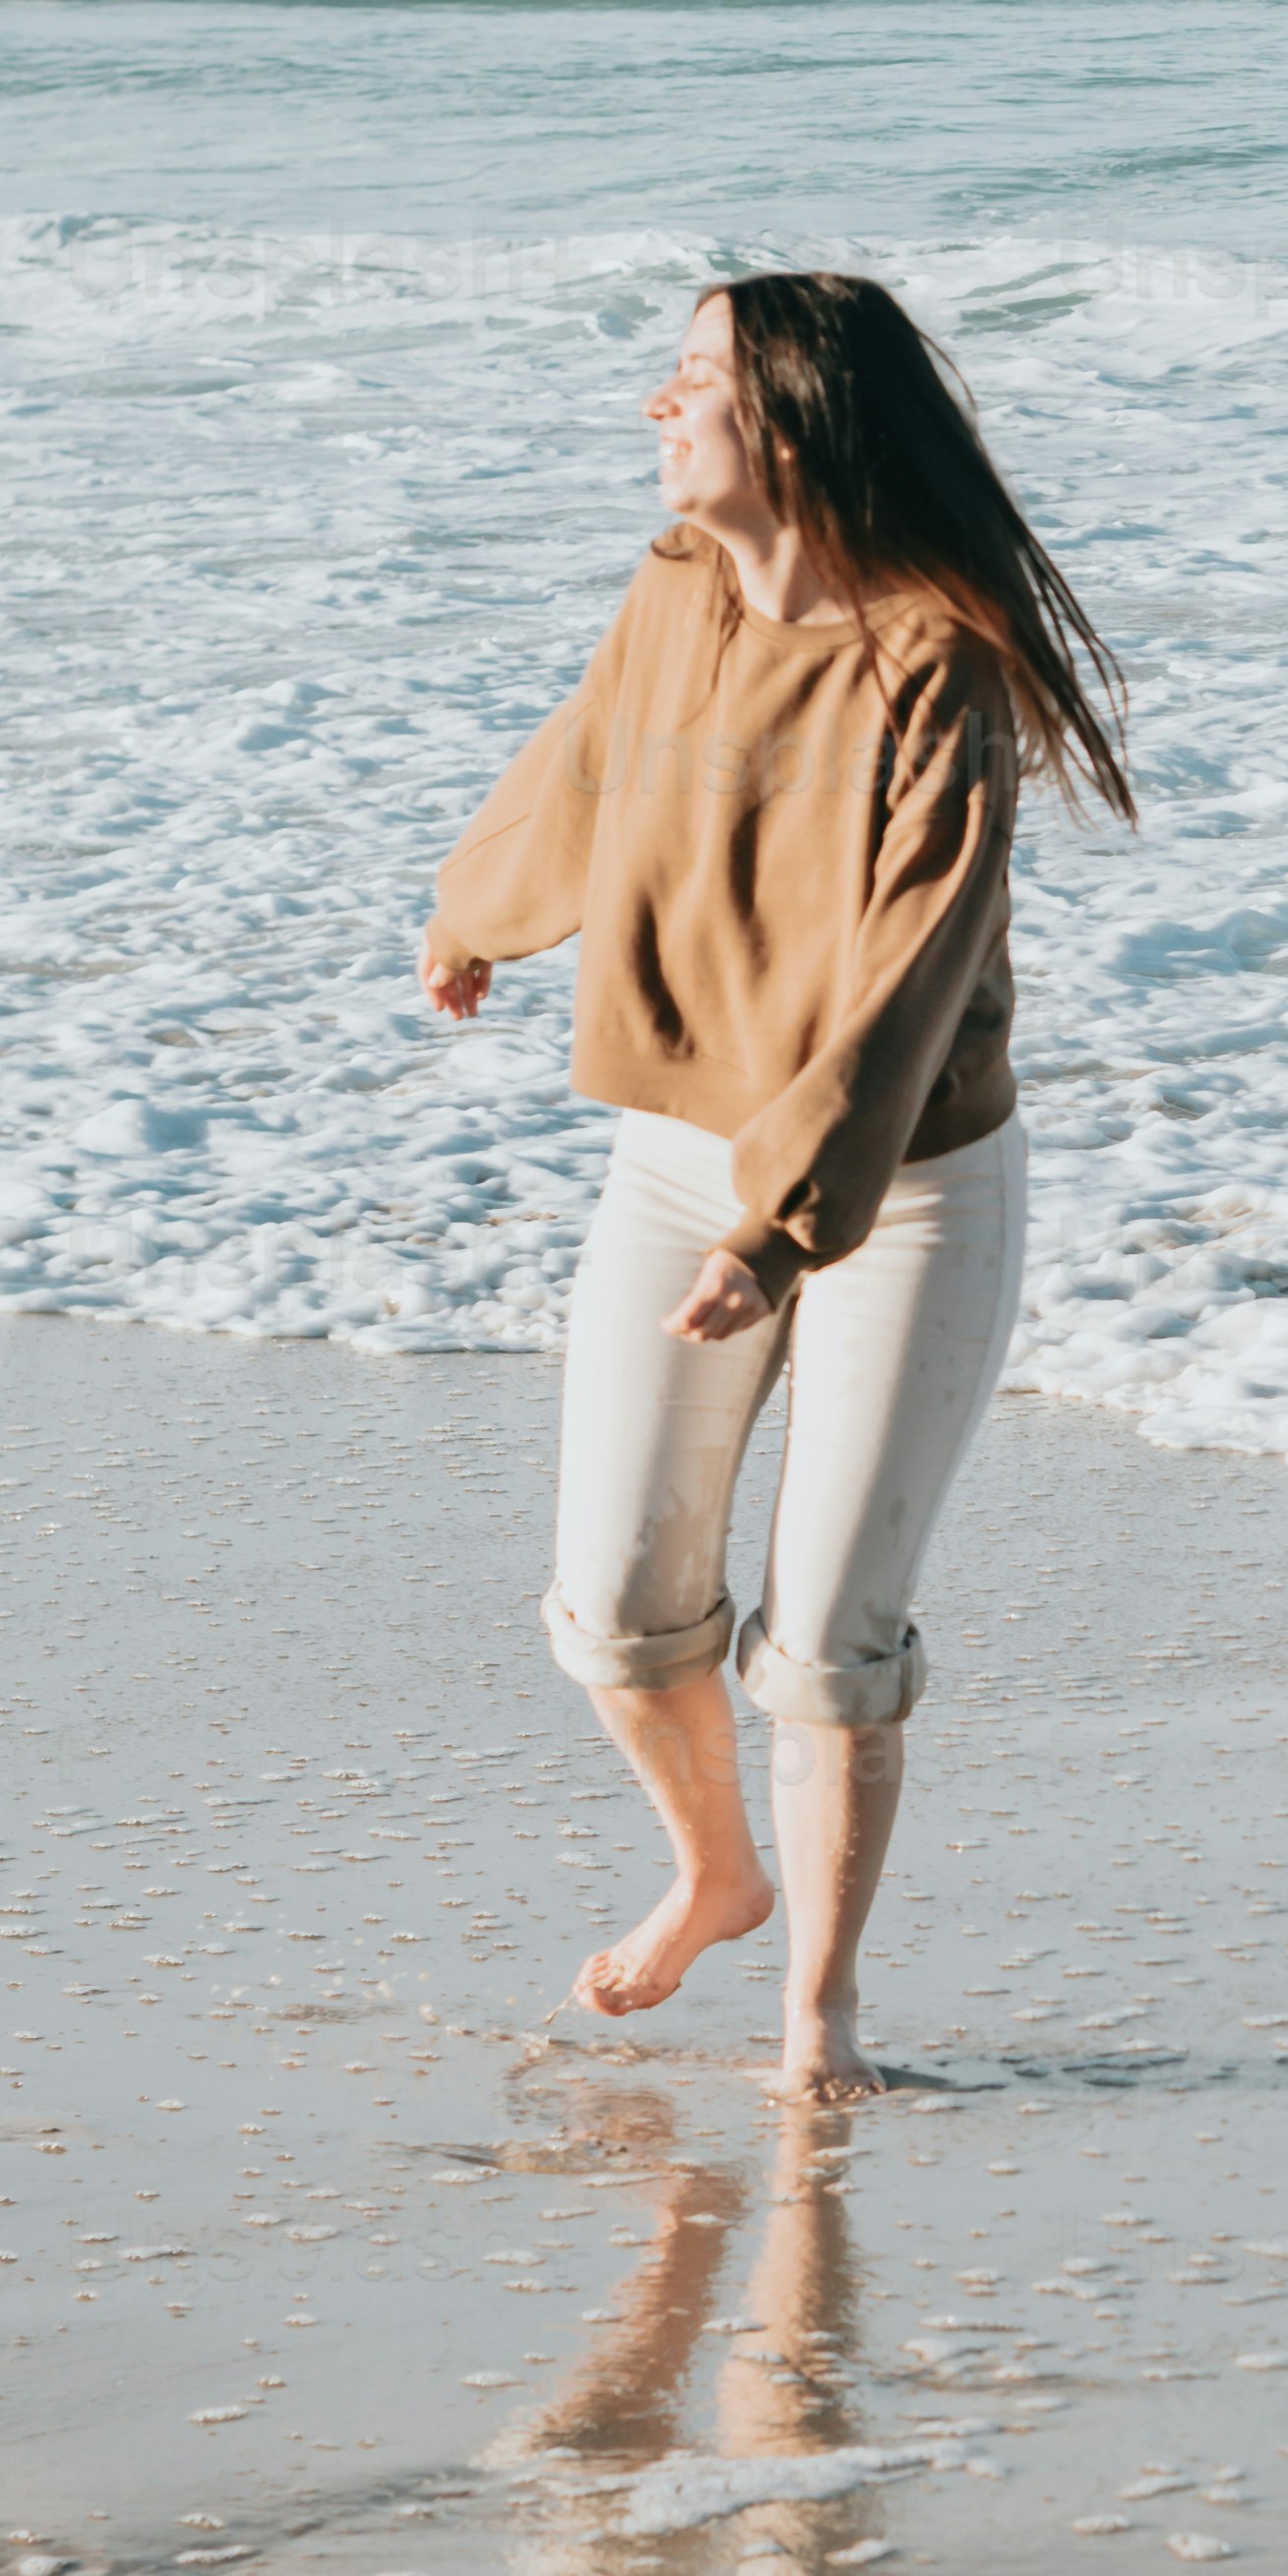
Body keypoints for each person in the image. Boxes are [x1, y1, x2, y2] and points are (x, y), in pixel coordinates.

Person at [420, 270, 1131, 2093]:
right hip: (676, 1163)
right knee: (615, 1606)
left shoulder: (938, 667)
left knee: (825, 1638)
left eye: (690, 383)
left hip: (903, 1190)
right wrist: (476, 911)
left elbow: (910, 985)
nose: (655, 410)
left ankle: (821, 2015)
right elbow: (580, 772)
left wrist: (784, 1228)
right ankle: (713, 1873)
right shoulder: (672, 597)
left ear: (795, 422)